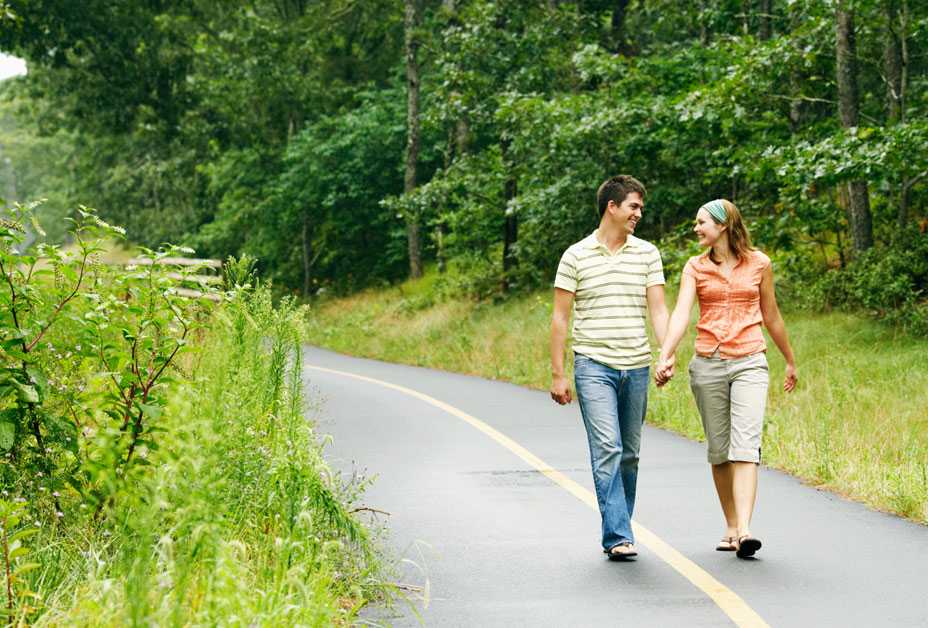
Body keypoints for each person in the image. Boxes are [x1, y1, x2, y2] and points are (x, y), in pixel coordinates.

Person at [654, 198, 797, 559]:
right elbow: (682, 313)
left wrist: (790, 360)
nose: (696, 228)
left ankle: (746, 530)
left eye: (701, 223)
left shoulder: (759, 263)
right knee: (719, 450)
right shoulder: (694, 267)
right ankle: (731, 525)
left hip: (750, 359)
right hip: (708, 363)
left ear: (723, 225)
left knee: (745, 445)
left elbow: (772, 315)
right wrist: (666, 353)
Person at [550, 175, 670, 561]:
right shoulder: (575, 255)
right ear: (612, 207)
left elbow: (658, 308)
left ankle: (619, 526)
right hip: (593, 364)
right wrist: (558, 373)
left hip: (635, 365)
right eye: (634, 206)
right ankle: (618, 534)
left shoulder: (647, 254)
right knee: (608, 448)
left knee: (630, 454)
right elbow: (559, 318)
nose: (639, 213)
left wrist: (666, 352)